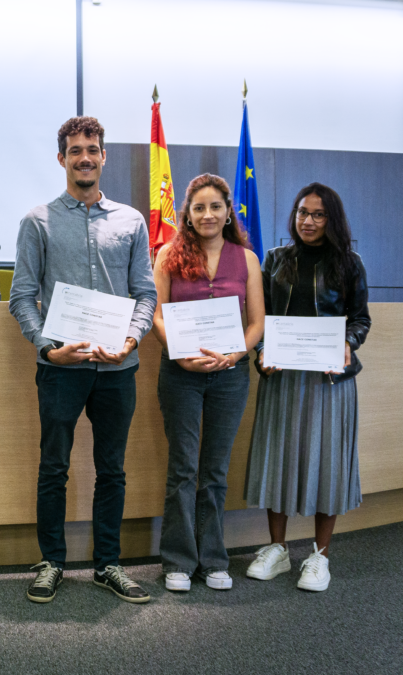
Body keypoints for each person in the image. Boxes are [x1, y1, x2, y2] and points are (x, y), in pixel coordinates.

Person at [9, 116, 157, 605]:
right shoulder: (38, 221)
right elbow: (22, 297)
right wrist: (48, 347)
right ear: (62, 159)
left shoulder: (131, 221)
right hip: (60, 368)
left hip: (118, 369)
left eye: (92, 148)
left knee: (111, 469)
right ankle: (51, 561)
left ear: (103, 155)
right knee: (54, 467)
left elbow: (145, 295)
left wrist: (132, 342)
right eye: (75, 150)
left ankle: (107, 565)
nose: (85, 157)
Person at [244, 183, 370, 592]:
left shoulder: (350, 264)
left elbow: (360, 320)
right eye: (302, 212)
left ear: (331, 219)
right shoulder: (276, 260)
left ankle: (319, 557)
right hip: (283, 378)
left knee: (327, 466)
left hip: (329, 381)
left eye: (317, 214)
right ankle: (278, 550)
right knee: (279, 460)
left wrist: (347, 344)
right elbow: (257, 317)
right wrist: (261, 350)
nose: (308, 221)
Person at [151, 174, 265, 592]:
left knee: (215, 470)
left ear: (228, 210)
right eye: (199, 207)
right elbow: (157, 314)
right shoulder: (167, 255)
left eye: (215, 206)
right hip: (180, 375)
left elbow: (257, 323)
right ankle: (178, 560)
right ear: (187, 214)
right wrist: (178, 351)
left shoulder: (247, 260)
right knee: (183, 468)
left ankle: (214, 559)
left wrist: (236, 355)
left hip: (230, 377)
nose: (208, 214)